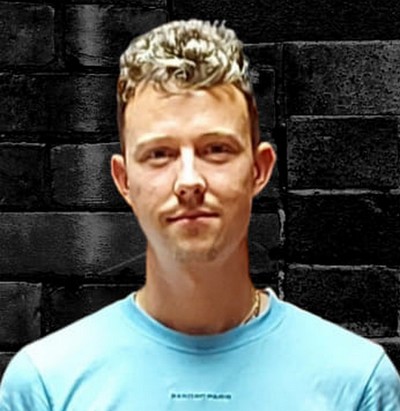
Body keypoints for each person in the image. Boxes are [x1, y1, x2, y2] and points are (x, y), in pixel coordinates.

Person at [1, 19, 399, 410]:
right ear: (124, 181)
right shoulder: (48, 385)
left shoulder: (355, 382)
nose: (189, 181)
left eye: (216, 150)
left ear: (258, 170)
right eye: (159, 154)